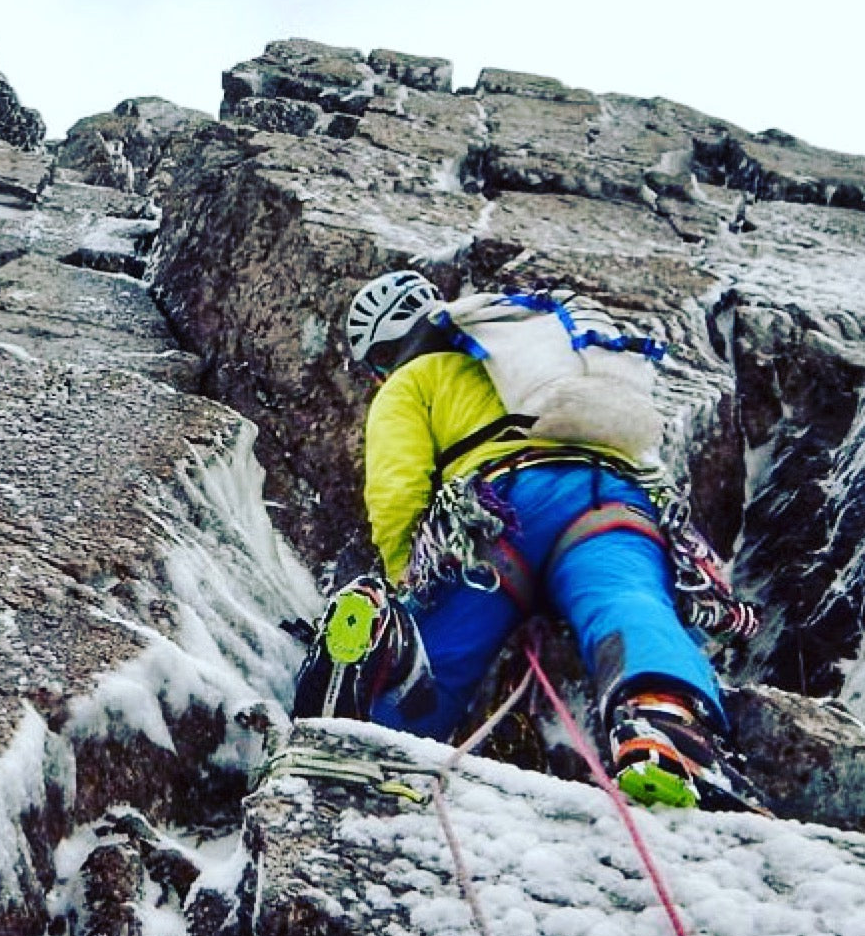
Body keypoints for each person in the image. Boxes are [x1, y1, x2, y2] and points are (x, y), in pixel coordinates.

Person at [293, 270, 766, 812]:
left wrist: (410, 583)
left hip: (498, 512)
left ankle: (380, 729)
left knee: (441, 655)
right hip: (607, 497)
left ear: (385, 354)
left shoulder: (413, 380)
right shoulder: (534, 357)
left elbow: (395, 487)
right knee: (629, 602)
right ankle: (662, 724)